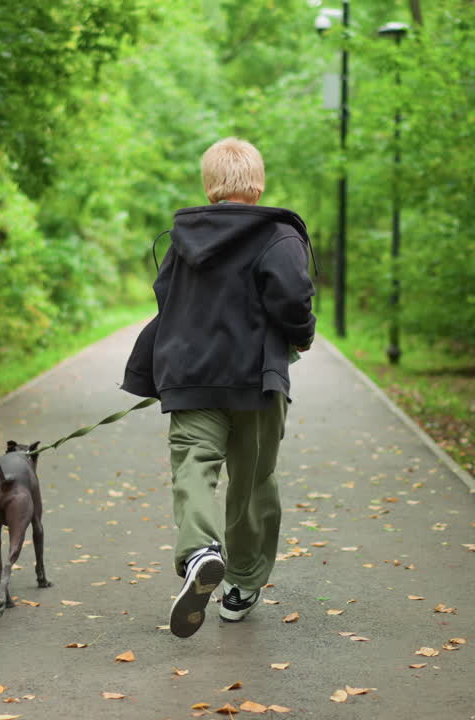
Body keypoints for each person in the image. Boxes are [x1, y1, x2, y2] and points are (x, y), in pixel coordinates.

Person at [121, 137, 316, 639]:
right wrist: (302, 336)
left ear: (210, 185)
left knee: (193, 467)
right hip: (255, 380)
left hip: (191, 377)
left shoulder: (183, 238)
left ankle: (201, 551)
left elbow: (167, 298)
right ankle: (242, 586)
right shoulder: (277, 235)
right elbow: (293, 296)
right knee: (252, 482)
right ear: (258, 183)